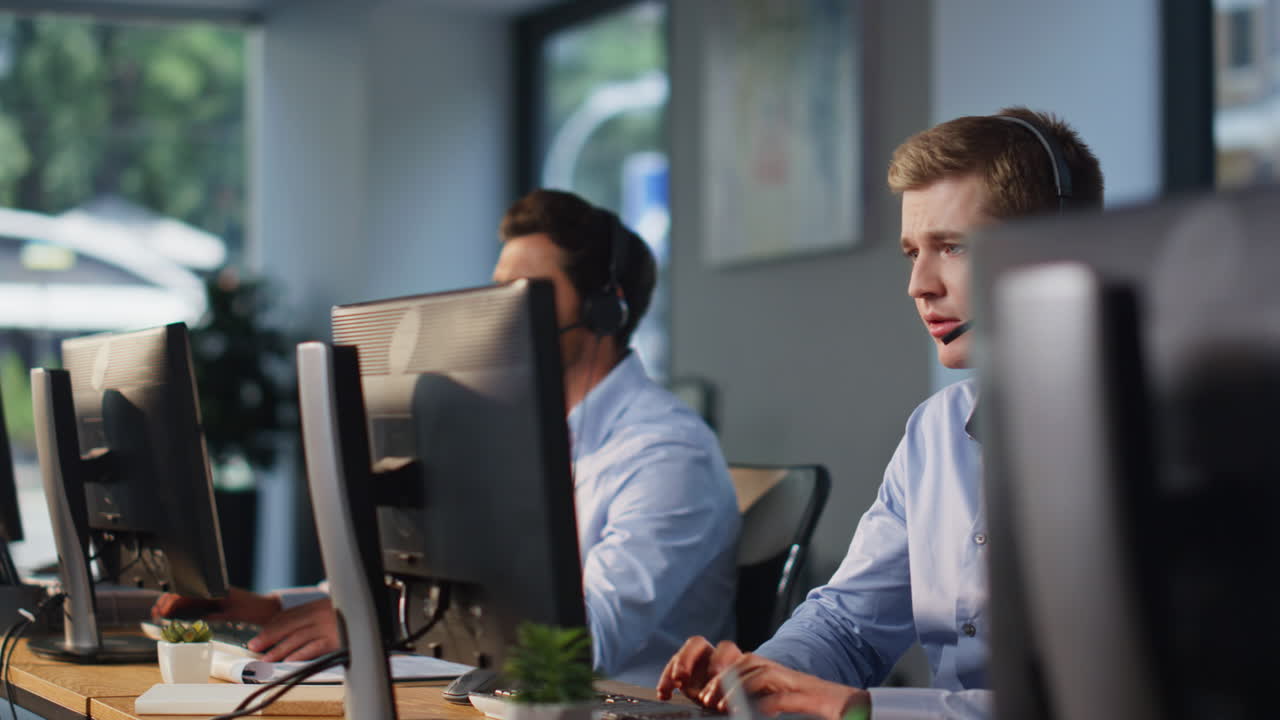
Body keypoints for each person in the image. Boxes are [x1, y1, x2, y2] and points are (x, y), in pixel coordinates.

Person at [155, 189, 741, 687]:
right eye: (497, 290)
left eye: (526, 292)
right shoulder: (504, 436)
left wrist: (378, 620)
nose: (499, 311)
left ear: (602, 311)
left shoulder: (667, 453)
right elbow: (420, 586)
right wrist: (267, 609)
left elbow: (585, 642)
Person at [655, 107, 1105, 719]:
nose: (919, 284)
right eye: (911, 253)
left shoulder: (1151, 440)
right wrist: (762, 672)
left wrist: (864, 709)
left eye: (952, 247)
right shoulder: (936, 431)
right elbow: (849, 626)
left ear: (1050, 249)